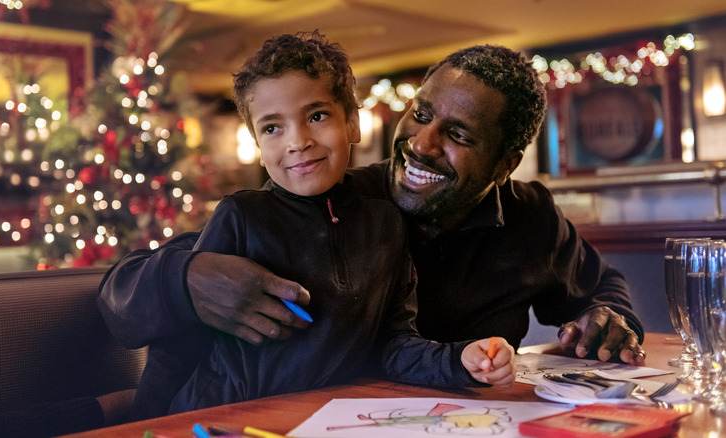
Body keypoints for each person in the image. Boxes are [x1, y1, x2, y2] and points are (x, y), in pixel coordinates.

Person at [99, 42, 645, 408]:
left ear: (505, 165)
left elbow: (601, 288)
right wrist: (188, 278)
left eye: (459, 135)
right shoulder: (333, 197)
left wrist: (609, 316)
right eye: (422, 114)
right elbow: (124, 285)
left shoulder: (531, 218)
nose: (421, 144)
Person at [118, 31, 515, 418]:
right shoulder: (240, 216)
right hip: (223, 418)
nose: (298, 141)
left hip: (323, 421)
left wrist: (459, 360)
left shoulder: (386, 224)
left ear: (353, 125)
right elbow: (178, 342)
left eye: (317, 116)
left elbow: (393, 345)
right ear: (258, 147)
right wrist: (146, 422)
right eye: (273, 128)